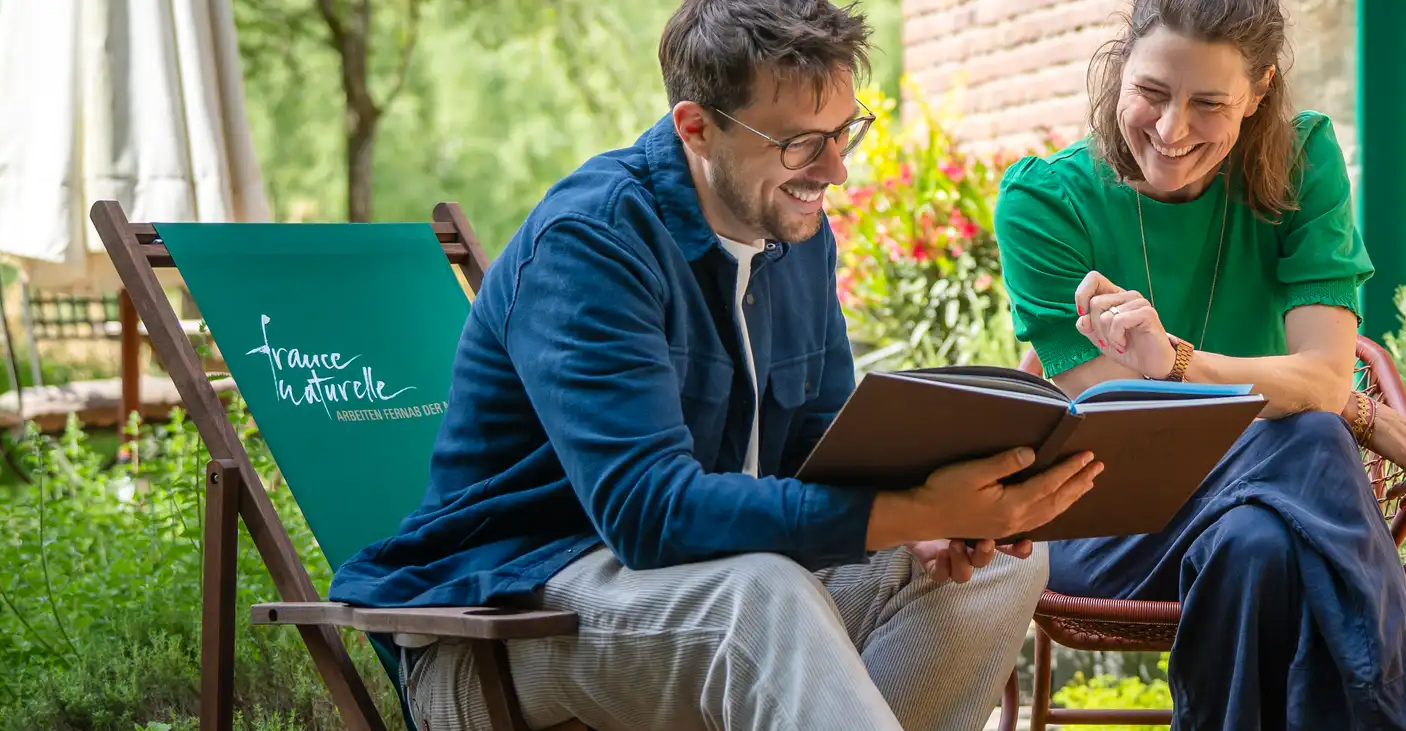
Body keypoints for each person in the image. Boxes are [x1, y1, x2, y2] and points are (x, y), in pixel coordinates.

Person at [326, 1, 1102, 729]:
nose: (834, 169)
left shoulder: (794, 233)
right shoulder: (591, 243)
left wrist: (939, 514)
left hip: (709, 597)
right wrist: (913, 510)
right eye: (801, 140)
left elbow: (821, 452)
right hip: (508, 622)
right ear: (695, 127)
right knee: (761, 594)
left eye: (844, 131)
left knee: (995, 573)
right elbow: (650, 515)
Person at [994, 0, 1406, 728]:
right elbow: (1117, 419)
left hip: (1275, 507)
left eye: (1209, 103)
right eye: (1151, 92)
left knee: (1257, 541)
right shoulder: (1042, 204)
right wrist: (1344, 407)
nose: (1171, 129)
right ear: (1121, 67)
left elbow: (1322, 377)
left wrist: (1173, 362)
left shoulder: (1301, 163)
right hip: (1105, 519)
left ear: (1258, 93)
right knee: (1314, 437)